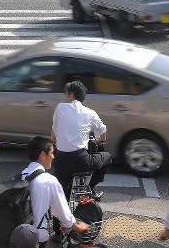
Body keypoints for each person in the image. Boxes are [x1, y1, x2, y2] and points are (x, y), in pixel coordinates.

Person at [50, 81, 111, 234]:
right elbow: (103, 133)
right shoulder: (90, 113)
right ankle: (91, 188)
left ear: (71, 95)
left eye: (65, 94)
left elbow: (53, 136)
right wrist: (97, 141)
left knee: (62, 195)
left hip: (62, 161)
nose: (65, 97)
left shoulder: (60, 108)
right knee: (107, 157)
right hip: (81, 160)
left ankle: (57, 232)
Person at [22, 136, 90, 246]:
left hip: (17, 233)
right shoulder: (49, 180)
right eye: (52, 153)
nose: (53, 157)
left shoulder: (23, 174)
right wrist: (77, 227)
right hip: (35, 236)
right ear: (43, 155)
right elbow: (61, 211)